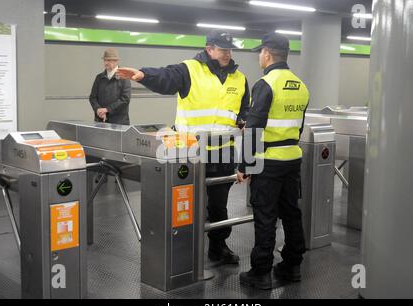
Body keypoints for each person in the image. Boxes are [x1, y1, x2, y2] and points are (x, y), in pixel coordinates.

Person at [117, 30, 250, 265]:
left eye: (230, 49)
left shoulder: (240, 79)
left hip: (223, 153)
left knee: (219, 205)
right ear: (209, 49)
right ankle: (183, 248)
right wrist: (141, 75)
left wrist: (243, 120)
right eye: (222, 48)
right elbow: (166, 77)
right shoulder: (190, 69)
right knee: (185, 202)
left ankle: (218, 247)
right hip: (191, 152)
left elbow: (243, 111)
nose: (227, 53)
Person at [236, 32, 310, 289]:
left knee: (266, 216)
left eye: (260, 52)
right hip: (292, 157)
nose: (259, 56)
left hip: (269, 161)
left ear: (267, 53)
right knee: (291, 212)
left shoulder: (266, 83)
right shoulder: (300, 85)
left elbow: (254, 127)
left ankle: (261, 272)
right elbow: (298, 126)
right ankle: (292, 264)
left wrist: (244, 166)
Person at [89, 48, 132, 125]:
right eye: (105, 60)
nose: (106, 63)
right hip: (101, 121)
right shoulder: (99, 77)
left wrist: (107, 109)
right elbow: (92, 97)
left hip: (119, 123)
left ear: (116, 61)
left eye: (109, 60)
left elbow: (125, 99)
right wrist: (98, 109)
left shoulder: (124, 77)